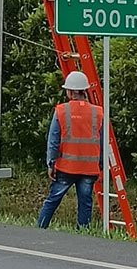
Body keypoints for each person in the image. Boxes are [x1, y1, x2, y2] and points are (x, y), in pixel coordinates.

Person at [37, 70, 103, 229]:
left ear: (70, 92)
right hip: (89, 168)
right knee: (85, 203)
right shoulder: (98, 112)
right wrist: (99, 165)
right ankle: (83, 233)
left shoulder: (61, 111)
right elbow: (101, 141)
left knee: (53, 199)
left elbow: (53, 139)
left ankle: (40, 228)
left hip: (66, 167)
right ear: (84, 90)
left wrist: (50, 163)